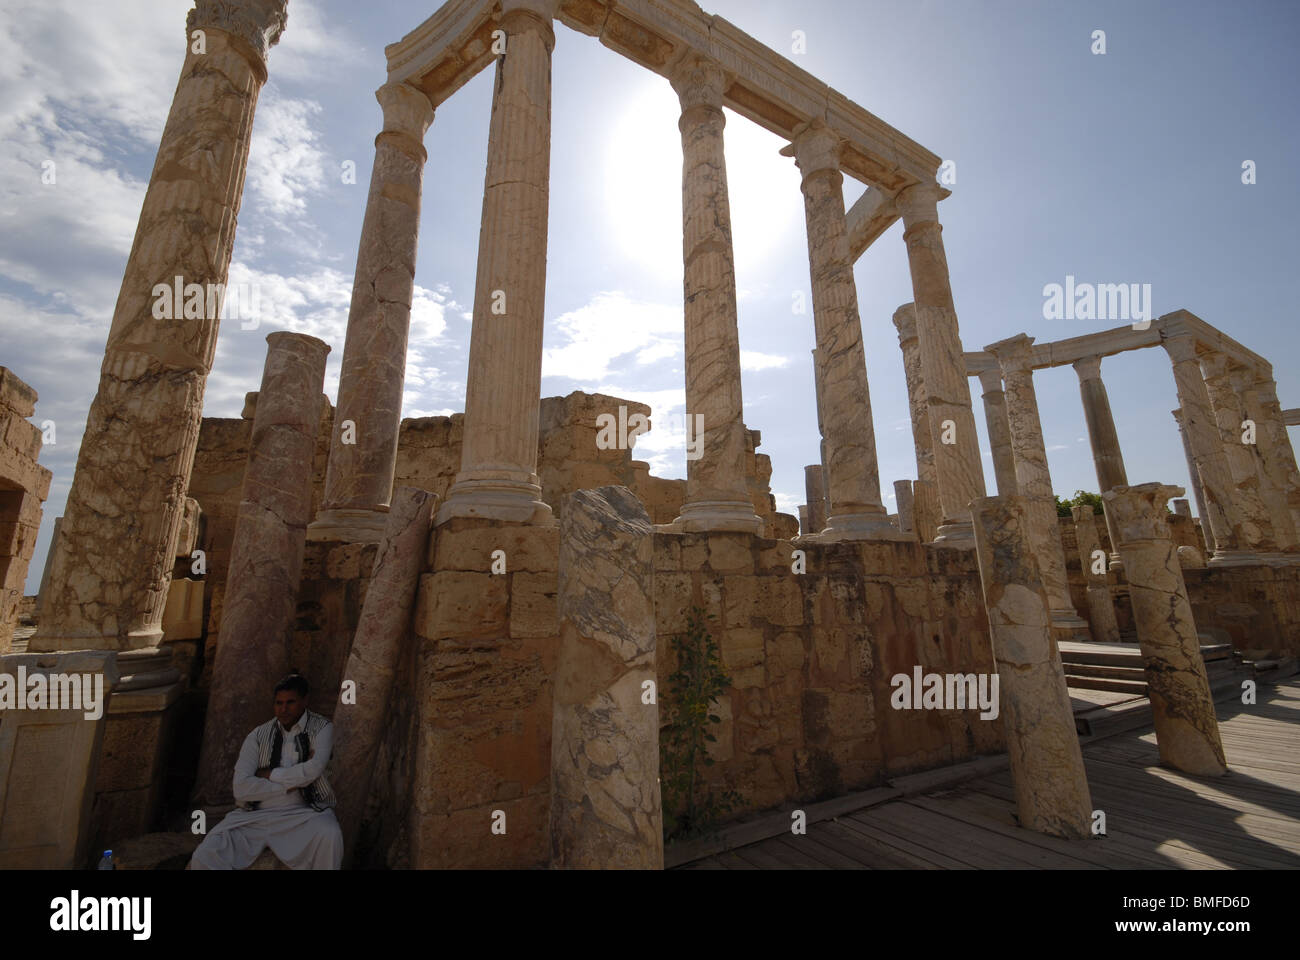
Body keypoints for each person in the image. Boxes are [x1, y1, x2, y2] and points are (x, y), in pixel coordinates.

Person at [189, 671, 343, 870]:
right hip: (253, 816)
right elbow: (241, 788)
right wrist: (291, 785)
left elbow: (313, 770)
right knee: (206, 854)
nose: (283, 709)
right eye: (279, 703)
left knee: (330, 834)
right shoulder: (257, 735)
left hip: (303, 814)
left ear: (305, 701)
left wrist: (270, 774)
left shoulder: (322, 729)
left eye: (290, 702)